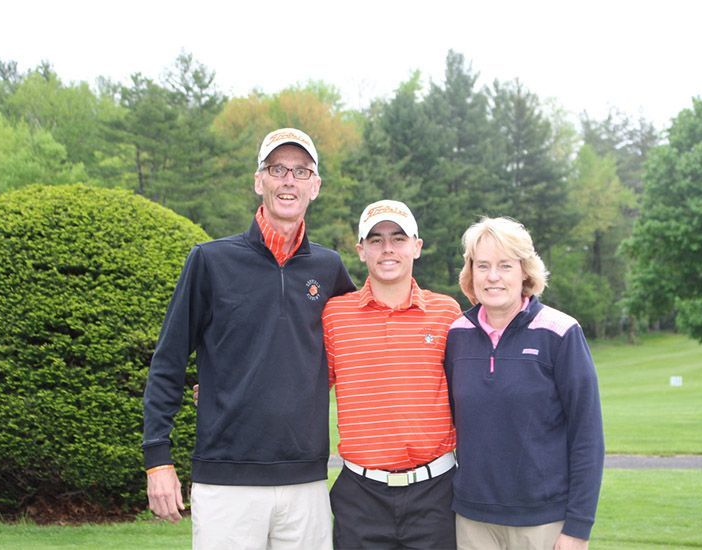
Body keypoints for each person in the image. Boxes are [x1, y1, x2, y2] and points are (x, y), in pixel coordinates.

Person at [142, 127, 355, 549]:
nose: (288, 180)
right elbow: (167, 363)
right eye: (278, 169)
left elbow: (359, 342)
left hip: (306, 483)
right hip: (226, 483)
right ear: (259, 180)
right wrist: (157, 461)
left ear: (315, 186)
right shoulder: (210, 260)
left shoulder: (330, 270)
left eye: (300, 171)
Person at [444, 217, 604, 550]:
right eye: (483, 265)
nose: (492, 277)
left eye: (504, 265)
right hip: (473, 521)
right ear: (470, 273)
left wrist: (578, 528)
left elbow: (587, 437)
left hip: (543, 522)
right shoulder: (456, 335)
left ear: (525, 271)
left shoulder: (561, 333)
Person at [322, 200, 462, 549]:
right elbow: (302, 386)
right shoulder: (335, 315)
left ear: (417, 246)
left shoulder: (447, 312)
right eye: (376, 240)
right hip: (361, 496)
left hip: (436, 494)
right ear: (360, 250)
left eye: (398, 239)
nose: (388, 249)